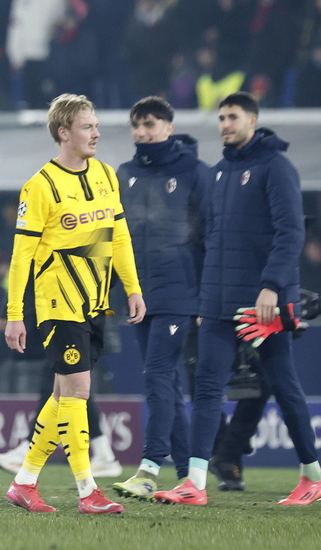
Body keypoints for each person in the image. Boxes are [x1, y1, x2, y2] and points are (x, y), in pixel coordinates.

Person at [154, 92, 321, 506]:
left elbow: (290, 234)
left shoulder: (276, 167)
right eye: (222, 117)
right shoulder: (220, 173)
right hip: (216, 301)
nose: (225, 124)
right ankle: (194, 482)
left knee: (283, 385)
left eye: (233, 116)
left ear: (253, 119)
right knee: (208, 387)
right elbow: (209, 239)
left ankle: (311, 475)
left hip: (262, 303)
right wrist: (201, 297)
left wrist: (272, 287)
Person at [3, 93, 146, 515]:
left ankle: (24, 482)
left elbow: (118, 237)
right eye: (88, 126)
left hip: (95, 305)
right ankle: (88, 492)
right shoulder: (40, 185)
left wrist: (132, 288)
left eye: (96, 125)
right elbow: (21, 257)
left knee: (64, 392)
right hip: (58, 304)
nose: (96, 133)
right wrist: (15, 315)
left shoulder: (105, 173)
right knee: (80, 390)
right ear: (63, 132)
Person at [111, 96, 209, 500]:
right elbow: (113, 236)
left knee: (156, 375)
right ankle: (186, 472)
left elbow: (210, 236)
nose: (141, 132)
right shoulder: (125, 173)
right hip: (139, 295)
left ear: (168, 127)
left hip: (178, 291)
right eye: (136, 125)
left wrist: (205, 298)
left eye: (149, 125)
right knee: (163, 378)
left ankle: (150, 468)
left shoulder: (195, 172)